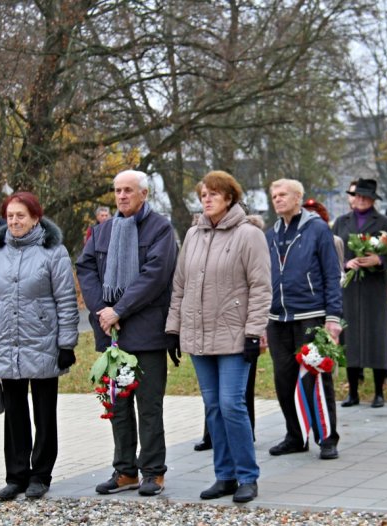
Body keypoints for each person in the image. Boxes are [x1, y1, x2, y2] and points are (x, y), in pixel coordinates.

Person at [166, 170, 271, 503]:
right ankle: (224, 475)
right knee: (212, 407)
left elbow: (261, 287)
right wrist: (173, 329)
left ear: (229, 197)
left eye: (213, 193)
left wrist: (254, 332)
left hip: (233, 335)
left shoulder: (249, 234)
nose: (207, 199)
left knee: (231, 404)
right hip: (198, 335)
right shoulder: (193, 234)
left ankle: (247, 476)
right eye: (203, 194)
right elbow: (180, 285)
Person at [76, 169, 178, 497]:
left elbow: (155, 276)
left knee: (149, 406)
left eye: (128, 190)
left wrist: (120, 308)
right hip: (112, 335)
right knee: (117, 406)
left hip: (147, 333)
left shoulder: (160, 229)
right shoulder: (102, 231)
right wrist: (102, 310)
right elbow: (85, 268)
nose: (121, 196)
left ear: (144, 194)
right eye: (118, 190)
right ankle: (124, 471)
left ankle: (153, 472)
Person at [0, 192, 80, 501]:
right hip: (6, 341)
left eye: (20, 216)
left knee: (44, 412)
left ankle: (40, 474)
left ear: (36, 218)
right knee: (14, 413)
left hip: (43, 342)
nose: (14, 221)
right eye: (10, 216)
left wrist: (66, 343)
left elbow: (66, 300)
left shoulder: (54, 252)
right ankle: (16, 476)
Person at [266, 180, 342, 460]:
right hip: (277, 318)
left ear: (298, 197)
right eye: (274, 196)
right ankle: (295, 436)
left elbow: (332, 275)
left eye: (282, 194)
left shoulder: (318, 229)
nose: (277, 199)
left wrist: (333, 318)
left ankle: (327, 437)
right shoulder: (270, 233)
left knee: (315, 378)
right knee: (283, 380)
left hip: (310, 315)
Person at [332, 178, 387, 408]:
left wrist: (378, 260)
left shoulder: (384, 222)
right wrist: (345, 263)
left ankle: (379, 391)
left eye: (365, 197)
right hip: (349, 287)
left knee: (376, 336)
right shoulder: (341, 222)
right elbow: (331, 252)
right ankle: (353, 392)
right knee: (350, 338)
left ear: (372, 199)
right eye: (357, 196)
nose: (361, 200)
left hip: (373, 288)